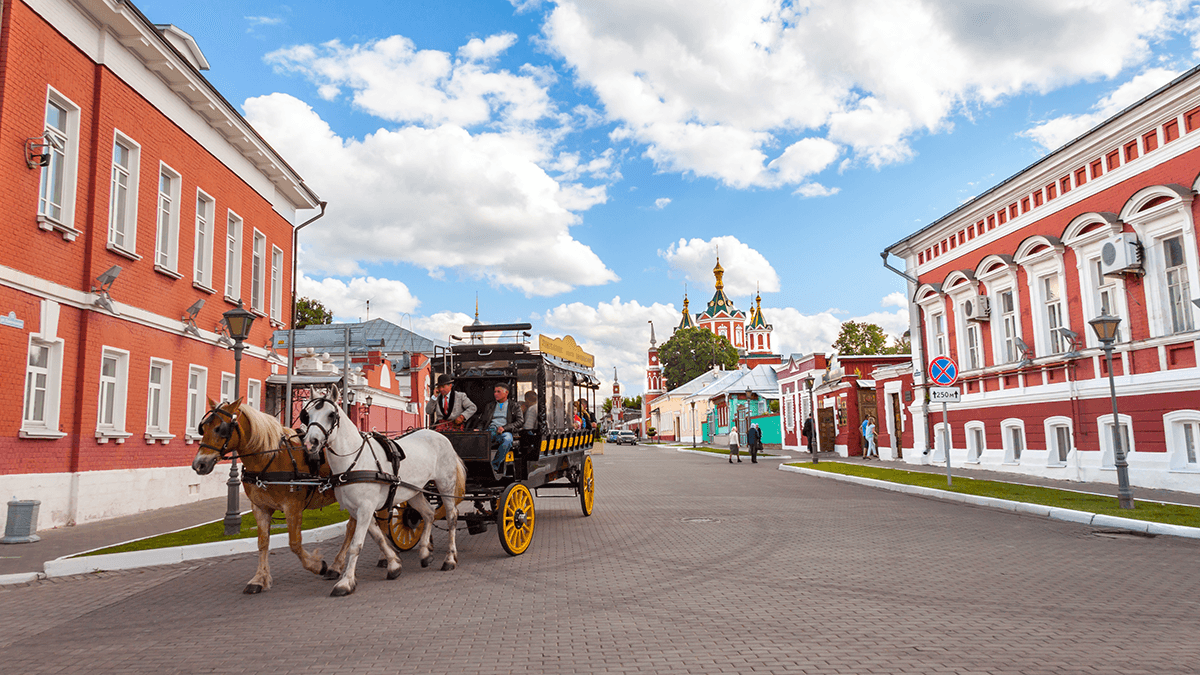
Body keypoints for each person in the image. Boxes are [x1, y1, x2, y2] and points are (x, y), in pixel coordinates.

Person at [477, 384, 524, 475]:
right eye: (494, 392)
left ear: (506, 393)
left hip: (505, 431)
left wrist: (505, 428)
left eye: (498, 391)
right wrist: (479, 430)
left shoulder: (514, 406)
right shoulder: (490, 406)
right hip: (491, 430)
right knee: (479, 440)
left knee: (507, 440)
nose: (495, 394)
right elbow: (482, 421)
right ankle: (480, 467)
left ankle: (495, 465)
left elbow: (520, 421)